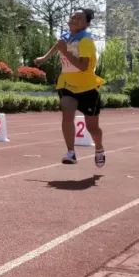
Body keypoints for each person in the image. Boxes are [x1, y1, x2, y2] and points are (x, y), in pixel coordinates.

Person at [34, 8, 105, 166]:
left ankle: (99, 148)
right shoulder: (66, 37)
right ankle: (71, 152)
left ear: (86, 24)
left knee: (93, 128)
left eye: (79, 18)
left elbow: (82, 66)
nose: (74, 19)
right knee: (67, 115)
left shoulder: (86, 41)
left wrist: (65, 52)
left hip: (87, 87)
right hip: (66, 84)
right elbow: (58, 45)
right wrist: (44, 58)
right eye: (73, 17)